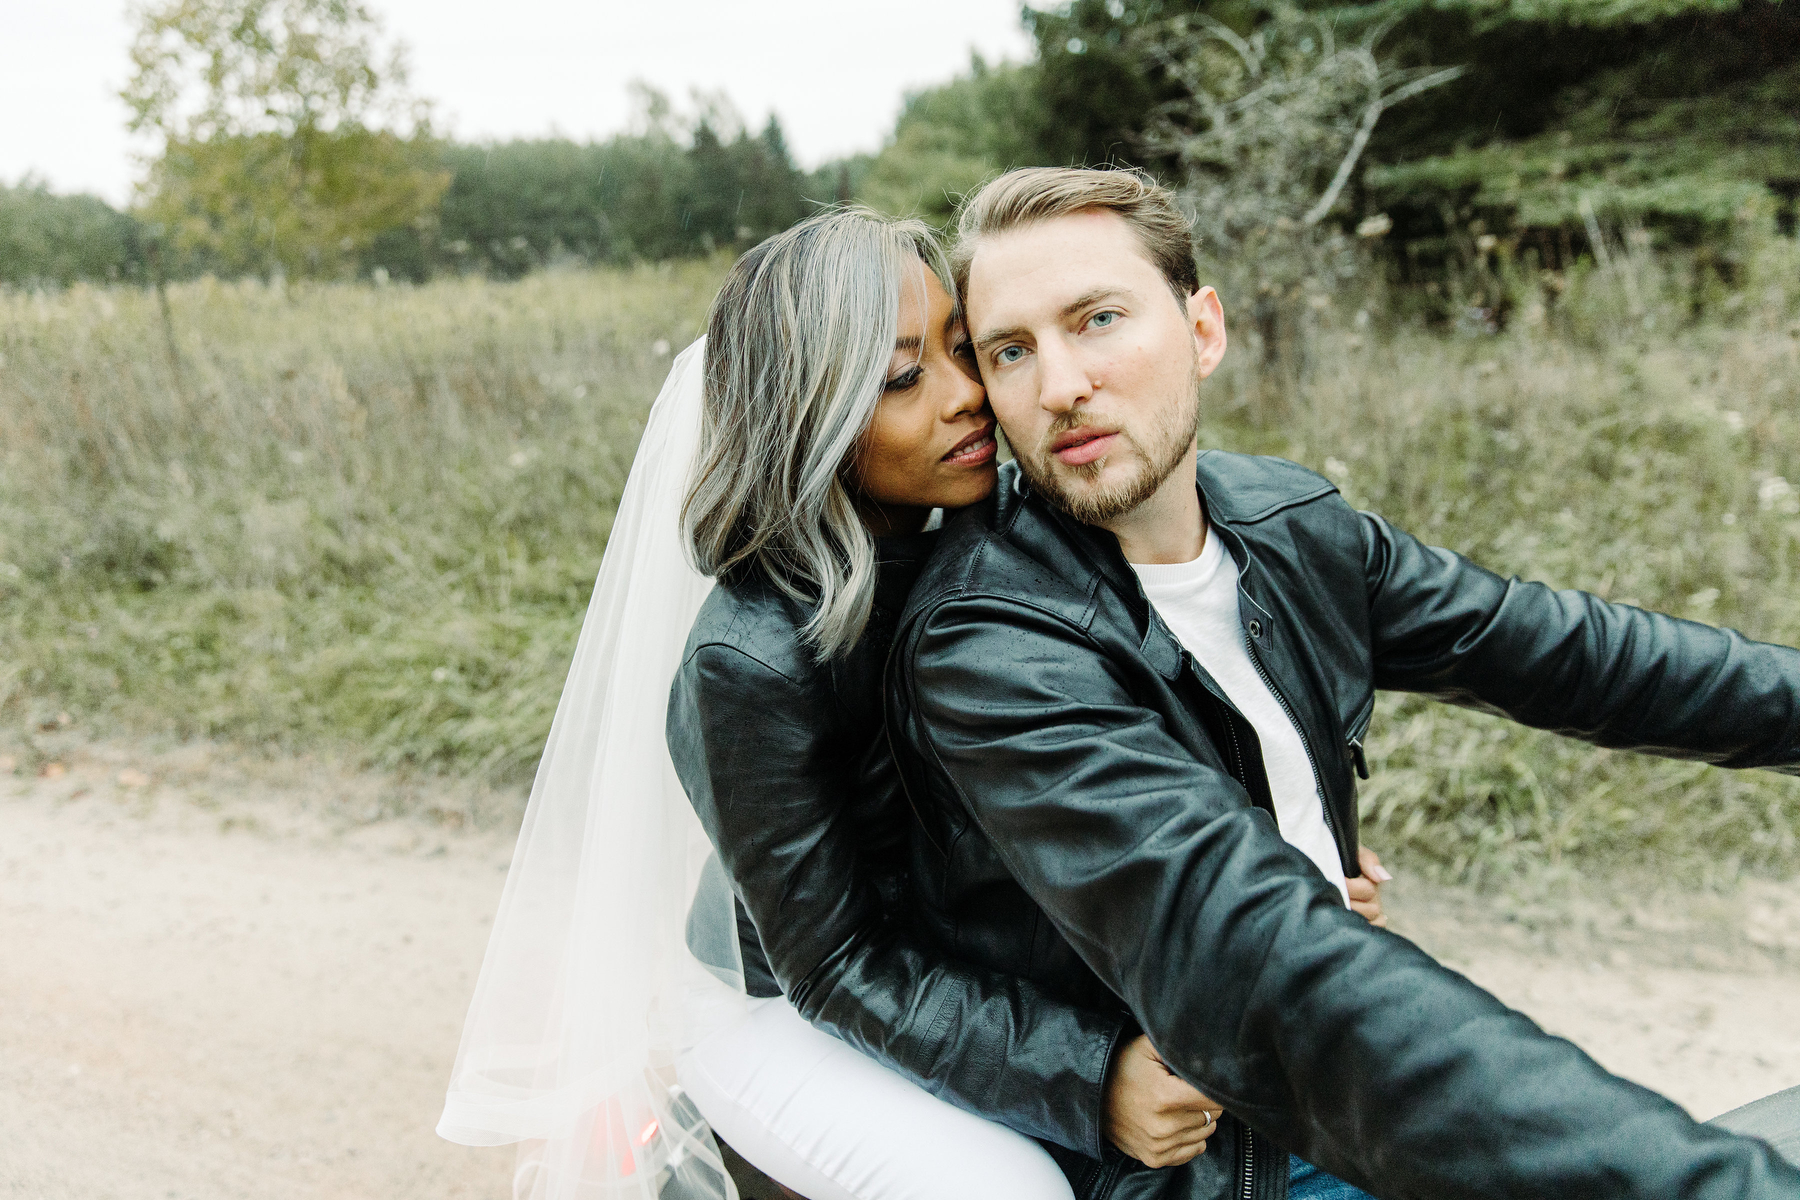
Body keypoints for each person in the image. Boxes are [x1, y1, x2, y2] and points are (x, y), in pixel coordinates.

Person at [882, 165, 1800, 1199]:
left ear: (1204, 332)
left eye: (1096, 319)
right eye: (1012, 350)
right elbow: (1248, 942)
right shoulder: (986, 642)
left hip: (1335, 1081)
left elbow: (1584, 659)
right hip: (1208, 1158)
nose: (1058, 385)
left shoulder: (1291, 526)